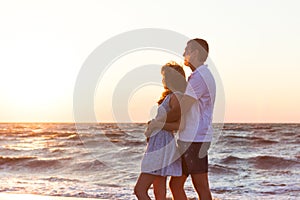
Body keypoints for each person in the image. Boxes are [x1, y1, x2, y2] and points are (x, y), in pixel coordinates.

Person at [149, 39, 216, 200]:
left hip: (195, 140)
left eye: (186, 51)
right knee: (176, 185)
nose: (183, 54)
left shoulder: (200, 77)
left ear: (196, 53)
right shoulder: (198, 76)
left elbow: (182, 109)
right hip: (189, 139)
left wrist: (157, 123)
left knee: (201, 187)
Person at [134, 62, 187, 200]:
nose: (163, 80)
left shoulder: (177, 96)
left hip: (162, 144)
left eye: (165, 76)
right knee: (159, 193)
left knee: (140, 190)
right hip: (158, 143)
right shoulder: (170, 96)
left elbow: (179, 125)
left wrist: (156, 125)